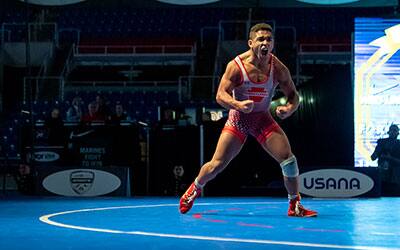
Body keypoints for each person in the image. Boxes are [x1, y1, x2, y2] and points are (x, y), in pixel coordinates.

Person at [179, 23, 317, 217]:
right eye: (260, 39)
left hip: (262, 118)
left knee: (289, 160)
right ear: (251, 43)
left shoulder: (278, 67)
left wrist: (289, 109)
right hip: (239, 119)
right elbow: (220, 95)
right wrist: (237, 105)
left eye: (269, 40)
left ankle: (295, 205)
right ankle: (195, 187)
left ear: (273, 44)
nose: (265, 43)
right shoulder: (236, 66)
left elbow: (294, 96)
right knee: (217, 164)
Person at [371, 124, 400, 194]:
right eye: (391, 130)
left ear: (398, 133)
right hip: (383, 176)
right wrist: (378, 151)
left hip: (395, 177)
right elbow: (373, 157)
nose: (393, 132)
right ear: (388, 132)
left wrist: (390, 158)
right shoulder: (382, 142)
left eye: (395, 130)